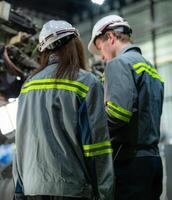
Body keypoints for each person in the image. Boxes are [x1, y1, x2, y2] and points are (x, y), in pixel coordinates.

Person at [13, 20, 114, 200]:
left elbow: (20, 144)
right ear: (75, 45)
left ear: (44, 51)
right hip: (72, 190)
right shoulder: (86, 82)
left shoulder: (28, 86)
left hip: (32, 189)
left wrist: (19, 191)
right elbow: (96, 147)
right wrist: (105, 193)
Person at [88, 15, 164, 200]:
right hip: (153, 160)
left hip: (131, 164)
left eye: (100, 49)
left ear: (111, 38)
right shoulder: (149, 67)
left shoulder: (118, 63)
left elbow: (118, 114)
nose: (102, 57)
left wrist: (89, 125)